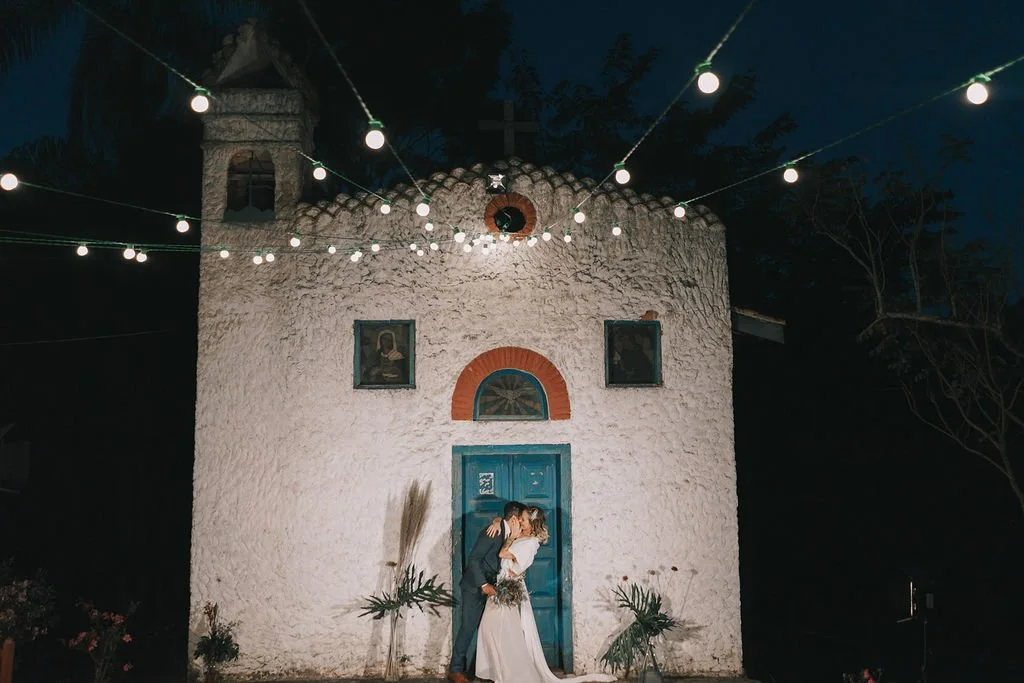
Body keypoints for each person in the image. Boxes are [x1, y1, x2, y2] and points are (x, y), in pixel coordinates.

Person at [475, 506, 616, 683]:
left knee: (505, 633)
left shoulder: (530, 543)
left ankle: (510, 675)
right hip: (501, 585)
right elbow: (504, 532)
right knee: (490, 630)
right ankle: (499, 673)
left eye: (524, 520)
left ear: (532, 525)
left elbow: (503, 553)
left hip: (508, 589)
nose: (519, 521)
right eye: (520, 518)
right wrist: (497, 521)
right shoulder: (521, 536)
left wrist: (511, 536)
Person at [448, 500, 525, 683]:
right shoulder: (493, 532)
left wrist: (498, 520)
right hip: (475, 586)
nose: (523, 522)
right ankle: (456, 670)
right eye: (522, 519)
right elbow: (473, 559)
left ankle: (481, 671)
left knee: (488, 630)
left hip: (495, 588)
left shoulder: (510, 532)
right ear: (514, 518)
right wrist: (483, 585)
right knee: (468, 627)